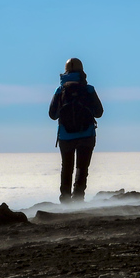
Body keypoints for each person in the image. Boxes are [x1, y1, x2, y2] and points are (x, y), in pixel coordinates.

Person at [49, 58, 104, 203]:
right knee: (82, 167)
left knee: (66, 167)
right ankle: (78, 199)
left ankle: (65, 200)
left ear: (65, 71)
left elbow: (52, 115)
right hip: (87, 135)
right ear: (82, 71)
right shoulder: (89, 89)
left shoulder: (60, 90)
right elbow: (99, 112)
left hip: (65, 136)